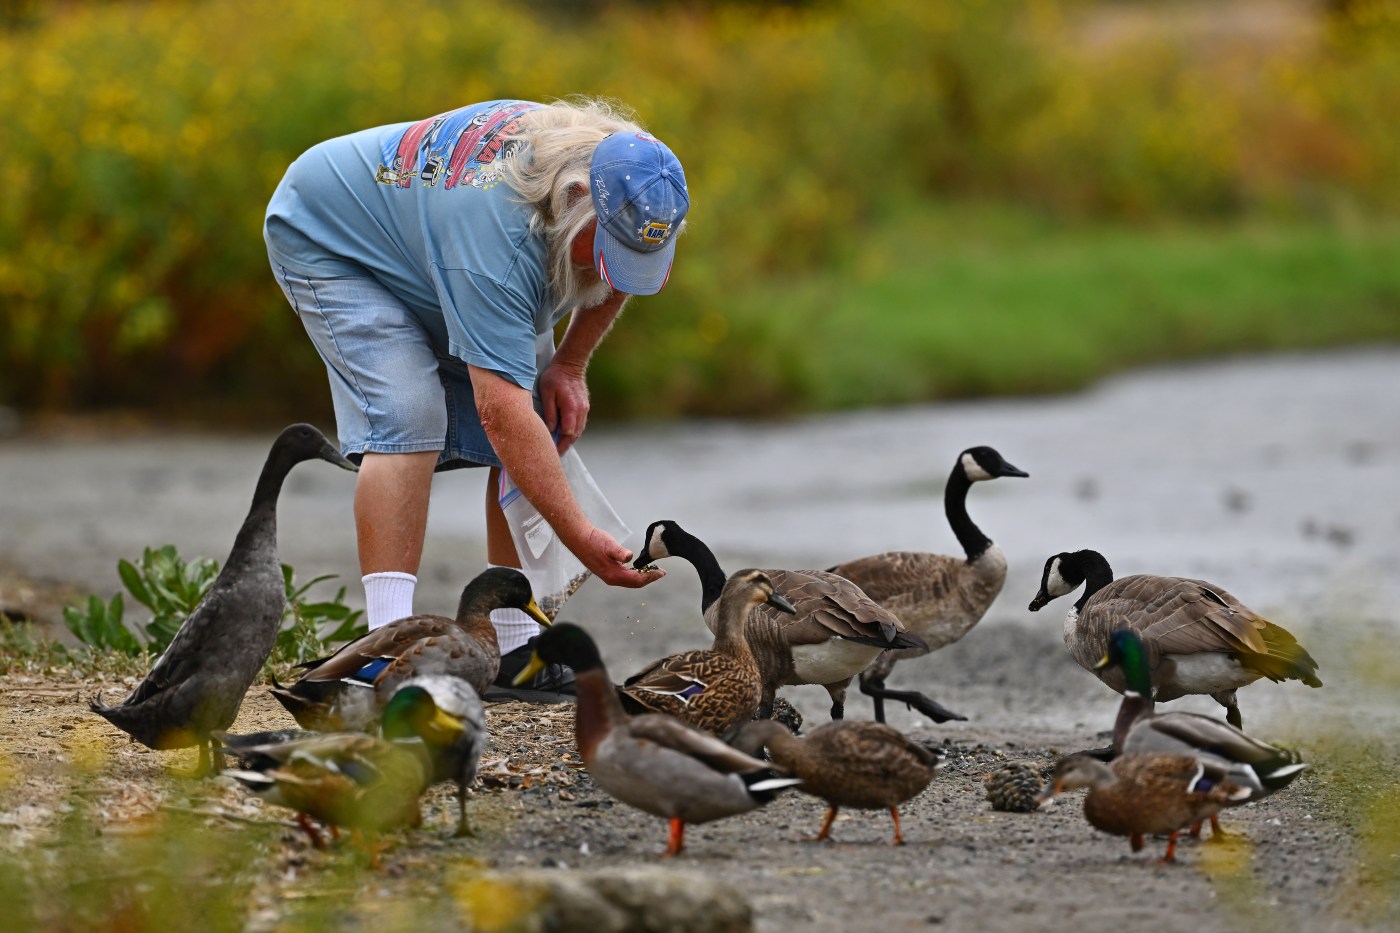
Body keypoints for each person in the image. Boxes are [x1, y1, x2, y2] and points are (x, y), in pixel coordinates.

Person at [264, 98, 684, 696]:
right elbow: (500, 412)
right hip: (334, 239)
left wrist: (570, 364)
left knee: (542, 407)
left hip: (440, 236)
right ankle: (389, 650)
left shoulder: (637, 177)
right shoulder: (500, 241)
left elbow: (621, 272)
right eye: (607, 247)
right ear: (572, 203)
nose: (616, 269)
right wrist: (580, 536)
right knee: (410, 413)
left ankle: (513, 649)